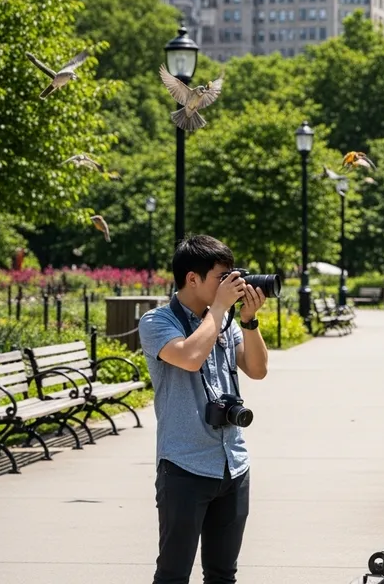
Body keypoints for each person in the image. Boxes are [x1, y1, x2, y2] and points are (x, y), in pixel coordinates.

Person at [139, 235, 269, 584]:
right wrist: (219, 309)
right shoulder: (157, 321)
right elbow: (190, 357)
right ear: (192, 278)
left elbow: (257, 369)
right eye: (222, 277)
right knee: (173, 575)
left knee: (223, 575)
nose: (232, 283)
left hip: (233, 463)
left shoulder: (225, 321)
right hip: (184, 466)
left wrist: (249, 320)